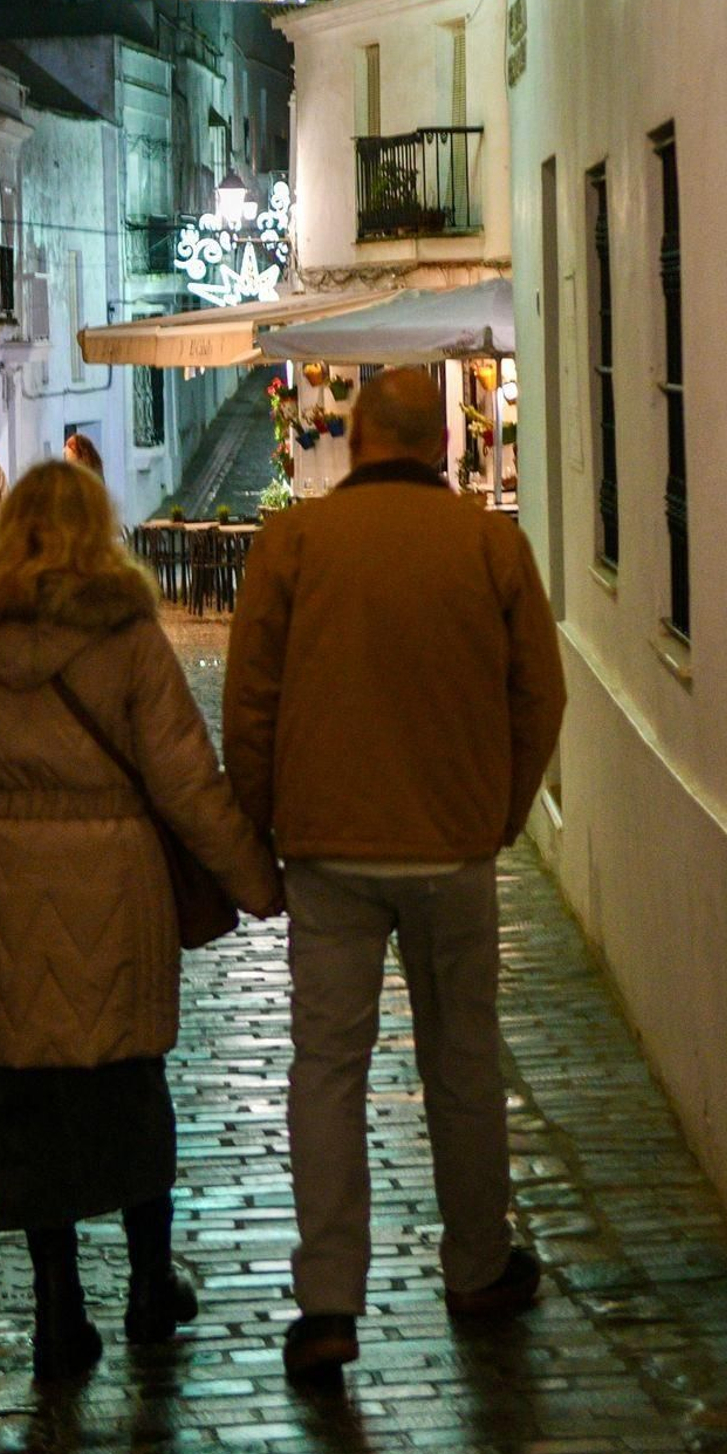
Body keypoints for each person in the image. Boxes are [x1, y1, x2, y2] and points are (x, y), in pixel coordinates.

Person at [222, 366, 566, 1386]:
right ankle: (474, 1264)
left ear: (359, 436)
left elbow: (250, 701)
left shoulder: (294, 543)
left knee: (325, 1069)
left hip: (327, 848)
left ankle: (327, 1297)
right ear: (435, 443)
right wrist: (500, 809)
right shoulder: (490, 543)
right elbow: (537, 695)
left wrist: (258, 828)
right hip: (453, 847)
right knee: (463, 1060)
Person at [0, 460, 281, 1382]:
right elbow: (185, 780)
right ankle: (152, 1288)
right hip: (120, 878)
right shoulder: (126, 636)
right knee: (129, 1082)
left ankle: (57, 1311)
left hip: (10, 878)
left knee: (31, 1095)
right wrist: (257, 882)